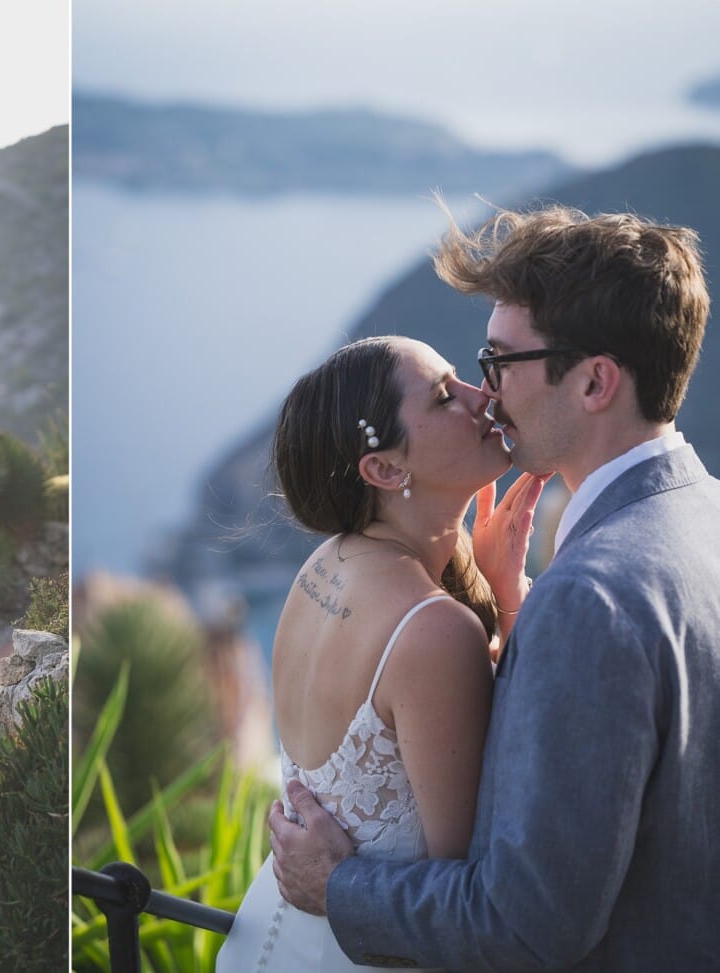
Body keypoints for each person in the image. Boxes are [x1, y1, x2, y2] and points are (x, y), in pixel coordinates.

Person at [269, 204, 720, 971]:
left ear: (594, 382)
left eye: (500, 361)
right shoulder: (702, 512)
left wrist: (337, 882)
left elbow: (524, 922)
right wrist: (513, 607)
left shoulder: (588, 598)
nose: (487, 391)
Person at [215, 334, 544, 972]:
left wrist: (497, 588)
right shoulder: (436, 630)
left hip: (279, 939)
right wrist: (510, 609)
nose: (486, 397)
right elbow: (465, 880)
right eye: (448, 396)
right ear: (386, 470)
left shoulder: (323, 564)